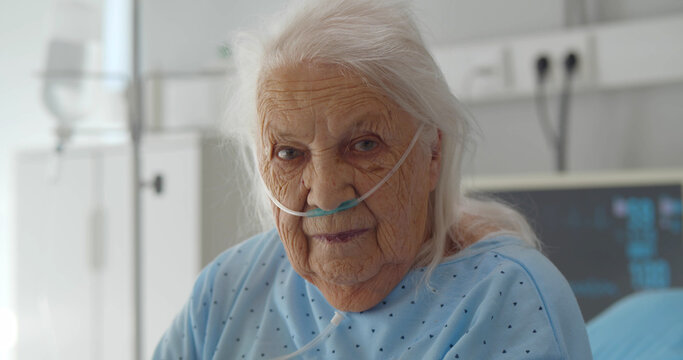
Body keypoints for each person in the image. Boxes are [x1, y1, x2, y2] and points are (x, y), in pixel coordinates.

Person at [153, 0, 592, 358]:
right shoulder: (228, 290)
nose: (325, 193)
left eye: (363, 145)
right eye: (289, 153)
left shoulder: (504, 301)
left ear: (432, 151)